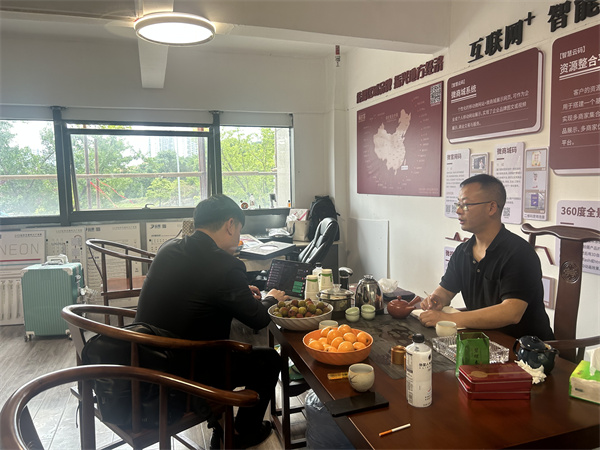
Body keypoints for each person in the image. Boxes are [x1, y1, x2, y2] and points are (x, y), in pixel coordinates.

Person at [135, 194, 289, 449]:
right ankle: (242, 433)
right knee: (269, 360)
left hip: (146, 361)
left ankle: (223, 427)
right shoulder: (225, 264)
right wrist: (272, 298)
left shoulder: (168, 248)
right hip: (184, 376)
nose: (238, 237)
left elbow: (194, 289)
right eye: (239, 230)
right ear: (230, 224)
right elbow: (258, 319)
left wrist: (238, 291)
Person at [419, 174, 554, 340]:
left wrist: (450, 318)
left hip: (526, 349)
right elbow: (446, 290)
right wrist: (437, 299)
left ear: (491, 208)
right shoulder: (462, 252)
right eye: (458, 204)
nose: (458, 210)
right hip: (483, 341)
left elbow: (511, 312)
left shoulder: (519, 253)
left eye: (466, 205)